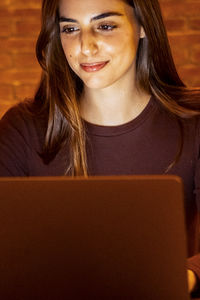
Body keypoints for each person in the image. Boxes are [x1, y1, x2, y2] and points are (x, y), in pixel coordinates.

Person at [0, 0, 200, 296]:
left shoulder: (193, 124)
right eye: (70, 28)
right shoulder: (22, 128)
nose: (85, 47)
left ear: (142, 26)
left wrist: (178, 280)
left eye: (105, 26)